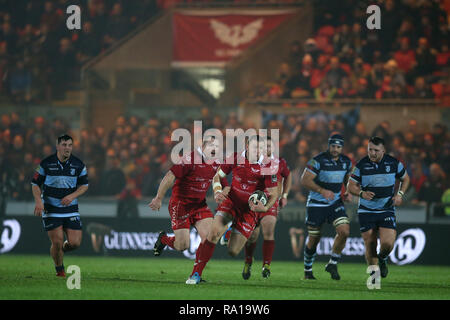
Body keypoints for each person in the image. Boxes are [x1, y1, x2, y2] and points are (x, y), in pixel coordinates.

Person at [185, 135, 279, 284]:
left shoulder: (268, 166)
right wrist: (217, 191)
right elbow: (217, 177)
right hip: (231, 202)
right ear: (247, 146)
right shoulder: (235, 158)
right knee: (213, 234)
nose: (259, 151)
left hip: (250, 210)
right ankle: (195, 274)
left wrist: (265, 207)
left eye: (261, 148)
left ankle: (230, 230)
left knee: (233, 251)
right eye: (256, 147)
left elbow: (274, 193)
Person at [149, 135, 228, 256]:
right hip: (181, 204)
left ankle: (197, 272)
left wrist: (221, 194)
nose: (215, 149)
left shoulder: (217, 163)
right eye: (212, 146)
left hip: (199, 205)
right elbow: (170, 176)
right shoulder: (190, 158)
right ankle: (164, 239)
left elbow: (226, 185)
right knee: (182, 246)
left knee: (209, 236)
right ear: (203, 146)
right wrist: (158, 198)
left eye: (217, 147)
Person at [347, 136, 410, 279]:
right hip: (366, 210)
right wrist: (361, 193)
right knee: (370, 242)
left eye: (376, 150)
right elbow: (350, 186)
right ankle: (374, 279)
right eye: (370, 150)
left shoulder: (393, 163)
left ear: (383, 150)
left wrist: (399, 194)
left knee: (388, 244)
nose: (372, 153)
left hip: (386, 209)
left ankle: (382, 258)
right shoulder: (361, 164)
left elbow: (406, 179)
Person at [31, 134, 89, 277]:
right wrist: (39, 201)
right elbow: (35, 184)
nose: (67, 148)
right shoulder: (46, 163)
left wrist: (72, 196)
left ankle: (60, 250)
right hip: (51, 208)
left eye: (70, 145)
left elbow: (84, 186)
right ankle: (60, 270)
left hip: (70, 209)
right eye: (64, 145)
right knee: (56, 242)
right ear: (57, 146)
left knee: (74, 243)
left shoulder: (79, 164)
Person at [237, 136, 292, 279]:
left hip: (270, 201)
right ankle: (248, 260)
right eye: (264, 146)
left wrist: (284, 195)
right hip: (254, 201)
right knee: (252, 236)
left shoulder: (279, 162)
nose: (266, 149)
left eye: (269, 146)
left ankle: (266, 265)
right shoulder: (253, 161)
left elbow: (288, 176)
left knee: (268, 229)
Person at [300, 134, 353, 280]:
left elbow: (348, 178)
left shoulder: (346, 162)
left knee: (344, 231)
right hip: (316, 204)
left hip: (335, 203)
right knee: (314, 238)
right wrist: (322, 191)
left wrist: (348, 191)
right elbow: (304, 180)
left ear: (342, 147)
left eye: (338, 147)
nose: (335, 149)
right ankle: (308, 270)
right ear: (328, 145)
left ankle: (333, 263)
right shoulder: (317, 161)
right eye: (333, 146)